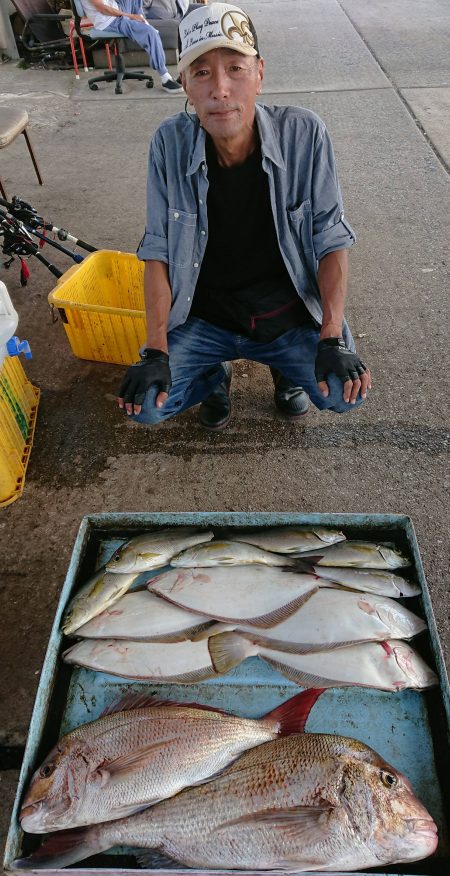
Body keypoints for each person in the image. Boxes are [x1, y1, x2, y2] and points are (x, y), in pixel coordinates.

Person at [118, 2, 372, 429]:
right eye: (201, 72)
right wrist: (156, 350)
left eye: (235, 68)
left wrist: (331, 336)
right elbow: (157, 250)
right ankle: (211, 375)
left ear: (259, 74)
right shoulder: (168, 142)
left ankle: (287, 374)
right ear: (184, 83)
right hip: (206, 317)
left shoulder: (304, 134)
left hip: (284, 317)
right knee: (146, 408)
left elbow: (331, 239)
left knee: (342, 396)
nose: (219, 89)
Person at [81, 0, 182, 90]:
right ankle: (165, 78)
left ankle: (141, 22)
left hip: (117, 12)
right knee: (150, 33)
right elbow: (103, 9)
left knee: (146, 29)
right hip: (110, 21)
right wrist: (130, 16)